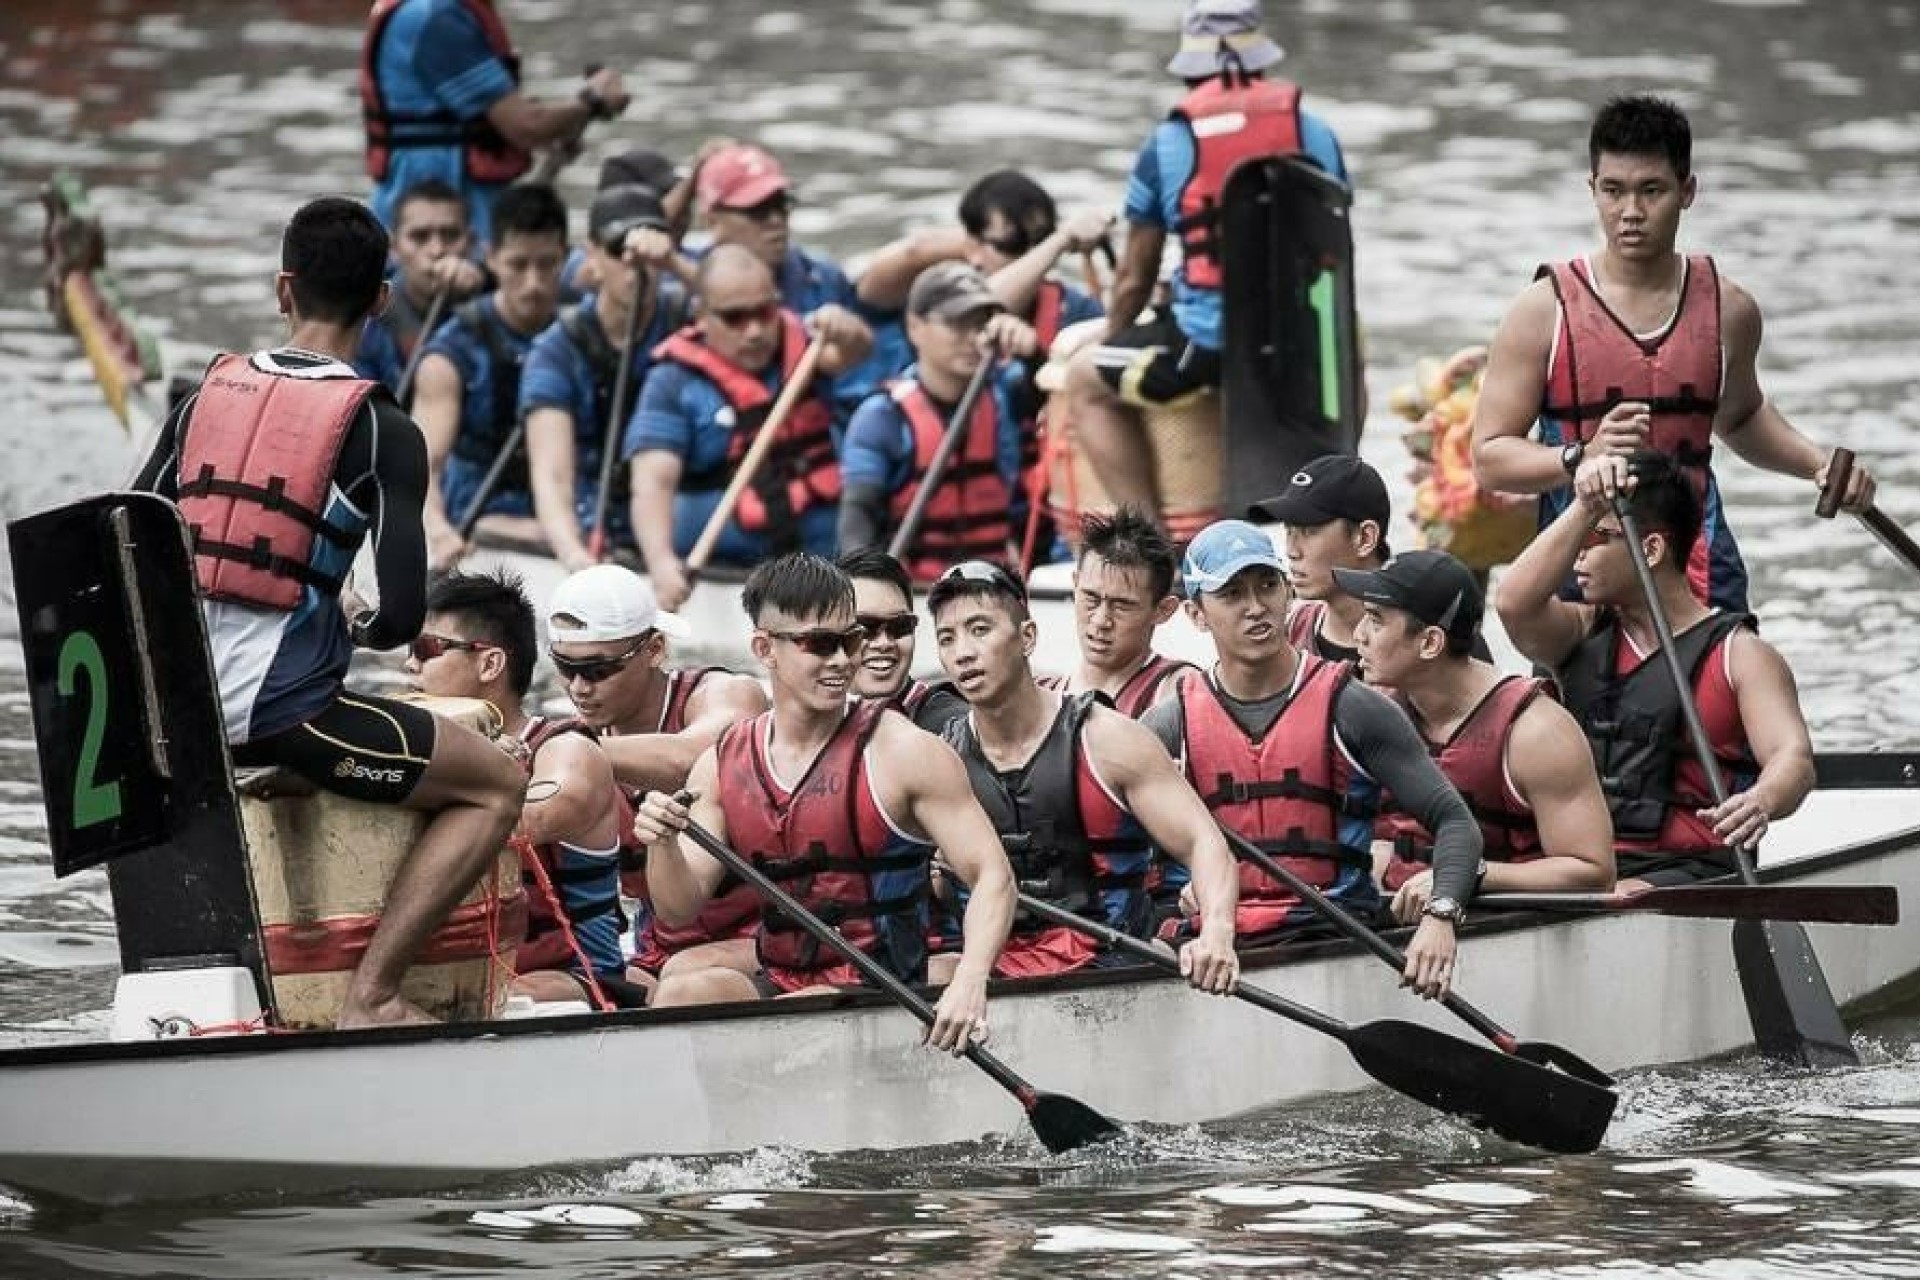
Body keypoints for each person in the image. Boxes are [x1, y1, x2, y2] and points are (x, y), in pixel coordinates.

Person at [130, 196, 523, 1027]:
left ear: (284, 288)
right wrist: (355, 620)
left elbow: (127, 536)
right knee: (498, 786)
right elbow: (402, 616)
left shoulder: (202, 399)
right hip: (283, 718)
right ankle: (371, 998)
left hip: (173, 721)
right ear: (381, 299)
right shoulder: (382, 429)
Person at [1470, 93, 1875, 613]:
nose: (1630, 213)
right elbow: (1490, 457)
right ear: (1592, 190)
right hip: (1582, 571)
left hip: (1701, 566)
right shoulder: (1541, 311)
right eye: (1613, 191)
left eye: (1651, 190)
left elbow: (1741, 417)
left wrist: (1820, 465)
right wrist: (1579, 457)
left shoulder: (1730, 310)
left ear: (1687, 192)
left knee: (1739, 664)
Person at [630, 554, 1017, 1057]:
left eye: (849, 641)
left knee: (796, 1011)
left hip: (884, 989)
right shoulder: (723, 763)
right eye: (819, 644)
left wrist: (970, 979)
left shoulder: (904, 751)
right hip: (782, 977)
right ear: (764, 649)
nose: (841, 661)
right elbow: (677, 908)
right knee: (682, 993)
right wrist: (662, 844)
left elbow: (993, 876)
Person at [1139, 520, 1479, 997]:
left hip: (1333, 935)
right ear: (1196, 614)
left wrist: (1441, 915)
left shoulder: (1354, 707)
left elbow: (1455, 821)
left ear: (1288, 592)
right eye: (1232, 594)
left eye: (1267, 585)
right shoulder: (1167, 726)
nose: (1256, 607)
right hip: (1214, 949)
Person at [1062, 0, 1350, 515]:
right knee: (1350, 351)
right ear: (1261, 63)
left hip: (1211, 351)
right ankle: (1335, 495)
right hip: (1304, 347)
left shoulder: (1167, 144)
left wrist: (1113, 334)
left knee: (1083, 378)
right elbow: (1334, 247)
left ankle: (1145, 537)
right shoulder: (1316, 133)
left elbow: (1133, 278)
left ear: (1192, 73)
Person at [1494, 451, 1816, 887]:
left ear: (1650, 550)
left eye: (1596, 539)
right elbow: (1513, 603)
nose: (1577, 558)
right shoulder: (1577, 633)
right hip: (1584, 870)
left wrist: (1762, 799)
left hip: (1692, 873)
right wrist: (1585, 507)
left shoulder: (1741, 655)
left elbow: (1792, 758)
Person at [929, 560, 1240, 988]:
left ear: (1027, 637)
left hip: (1113, 965)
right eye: (946, 638)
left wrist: (1217, 933)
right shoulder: (939, 759)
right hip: (992, 974)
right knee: (931, 972)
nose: (963, 652)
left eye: (979, 630)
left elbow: (1205, 844)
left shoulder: (1108, 739)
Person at [1338, 550, 1615, 907]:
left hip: (1504, 929)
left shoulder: (1537, 732)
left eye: (1376, 621)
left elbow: (1594, 871)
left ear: (1430, 643)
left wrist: (1468, 874)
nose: (1358, 635)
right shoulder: (1374, 711)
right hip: (1388, 922)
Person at [405, 569, 632, 1004]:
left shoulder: (567, 752)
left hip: (579, 980)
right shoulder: (426, 759)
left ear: (490, 663)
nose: (410, 665)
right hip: (475, 976)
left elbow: (520, 820)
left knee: (469, 1002)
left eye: (426, 649)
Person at [544, 564, 768, 981]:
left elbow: (691, 759)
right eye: (564, 667)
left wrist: (558, 752)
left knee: (680, 977)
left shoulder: (726, 693)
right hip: (656, 950)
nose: (578, 688)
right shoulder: (569, 742)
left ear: (655, 649)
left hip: (768, 939)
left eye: (597, 670)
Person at [624, 245, 871, 608]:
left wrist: (847, 328)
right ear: (701, 315)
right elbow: (652, 483)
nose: (754, 331)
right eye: (734, 317)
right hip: (728, 563)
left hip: (823, 557)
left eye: (764, 312)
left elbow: (856, 349)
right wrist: (661, 564)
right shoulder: (671, 383)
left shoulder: (810, 347)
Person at [520, 184, 689, 571]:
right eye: (618, 251)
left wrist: (676, 264)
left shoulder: (693, 317)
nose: (636, 267)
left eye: (650, 257)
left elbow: (751, 303)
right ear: (592, 256)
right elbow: (552, 475)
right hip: (593, 521)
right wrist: (572, 553)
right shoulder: (555, 351)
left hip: (674, 520)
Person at [361, 0, 628, 243]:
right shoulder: (437, 18)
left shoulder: (449, 12)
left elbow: (502, 119)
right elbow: (527, 127)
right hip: (435, 219)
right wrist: (592, 99)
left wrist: (561, 126)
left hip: (456, 203)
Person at [838, 262, 1033, 579]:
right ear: (915, 327)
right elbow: (858, 520)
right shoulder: (882, 417)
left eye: (980, 324)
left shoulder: (1008, 395)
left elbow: (1047, 390)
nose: (973, 338)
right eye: (957, 324)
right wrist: (869, 587)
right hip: (918, 589)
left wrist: (1032, 351)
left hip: (995, 587)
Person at [412, 182, 570, 567]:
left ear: (566, 258)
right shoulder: (451, 354)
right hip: (476, 520)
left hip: (565, 516)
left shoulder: (578, 338)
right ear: (491, 258)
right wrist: (436, 529)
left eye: (547, 264)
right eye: (518, 265)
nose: (533, 283)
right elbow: (423, 466)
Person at [1040, 507, 1196, 714]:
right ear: (1075, 585)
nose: (1100, 621)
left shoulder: (1181, 693)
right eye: (1091, 598)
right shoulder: (1041, 695)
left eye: (1121, 605)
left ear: (1163, 610)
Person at [1250, 454, 1392, 665]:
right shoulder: (1289, 633)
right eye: (1289, 530)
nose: (1291, 551)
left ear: (1365, 538)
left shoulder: (1418, 639)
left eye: (1309, 531)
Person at [352, 178, 487, 396]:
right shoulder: (364, 315)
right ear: (394, 247)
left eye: (451, 235)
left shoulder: (496, 299)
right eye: (420, 237)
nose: (437, 250)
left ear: (470, 242)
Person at [837, 547, 969, 735]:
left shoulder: (953, 729)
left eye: (900, 626)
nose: (884, 643)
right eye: (866, 627)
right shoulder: (806, 723)